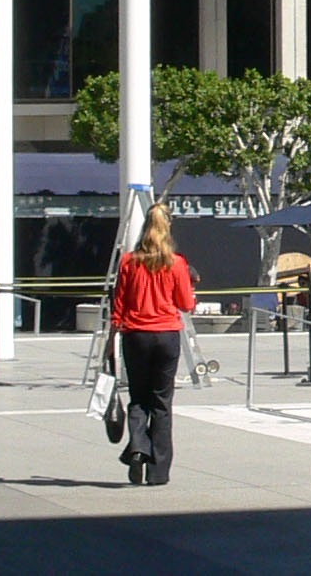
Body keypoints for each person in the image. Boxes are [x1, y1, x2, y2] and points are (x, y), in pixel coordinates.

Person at [110, 203, 196, 486]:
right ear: (167, 227)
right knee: (162, 403)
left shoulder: (128, 262)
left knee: (138, 398)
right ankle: (158, 471)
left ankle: (137, 448)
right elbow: (186, 303)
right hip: (166, 333)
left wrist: (113, 333)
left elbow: (119, 303)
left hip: (135, 334)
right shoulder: (177, 262)